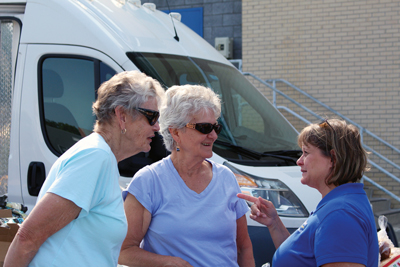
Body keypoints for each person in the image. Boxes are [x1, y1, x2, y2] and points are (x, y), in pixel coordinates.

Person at [4, 70, 165, 267]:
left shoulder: (101, 156)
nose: (157, 126)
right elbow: (28, 237)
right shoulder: (95, 157)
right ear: (121, 115)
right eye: (151, 116)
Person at [119, 85, 255, 267]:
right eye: (205, 127)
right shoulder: (149, 181)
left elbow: (243, 247)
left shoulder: (226, 178)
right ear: (175, 132)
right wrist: (167, 263)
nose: (213, 135)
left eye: (216, 127)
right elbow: (124, 251)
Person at [238, 119, 379, 267]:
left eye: (306, 153)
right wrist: (274, 224)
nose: (299, 161)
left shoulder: (340, 214)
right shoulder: (339, 205)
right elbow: (301, 259)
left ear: (333, 159)